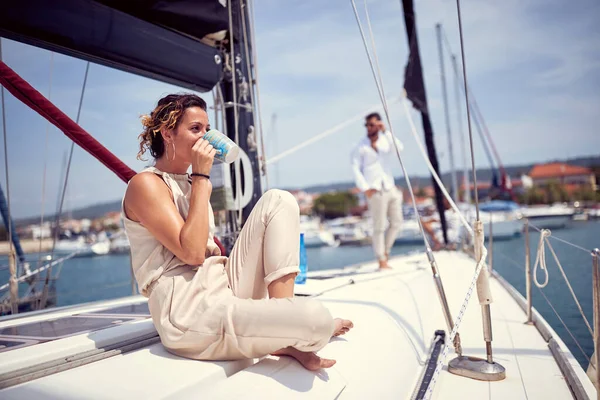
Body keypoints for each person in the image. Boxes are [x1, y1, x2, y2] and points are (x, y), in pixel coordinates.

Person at [123, 93, 352, 371]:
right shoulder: (146, 184)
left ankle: (286, 324)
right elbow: (193, 254)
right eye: (196, 129)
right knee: (317, 318)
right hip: (189, 311)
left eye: (207, 130)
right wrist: (202, 178)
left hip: (223, 286)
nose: (205, 137)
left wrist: (199, 180)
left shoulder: (193, 181)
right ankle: (292, 328)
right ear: (168, 133)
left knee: (279, 200)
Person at [351, 112, 404, 269]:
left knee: (397, 222)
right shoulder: (360, 146)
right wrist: (365, 188)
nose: (368, 127)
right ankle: (381, 259)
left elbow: (399, 148)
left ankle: (386, 252)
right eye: (367, 125)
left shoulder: (386, 141)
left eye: (372, 124)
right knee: (379, 226)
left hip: (389, 186)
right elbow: (355, 168)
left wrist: (386, 131)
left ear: (378, 124)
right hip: (374, 189)